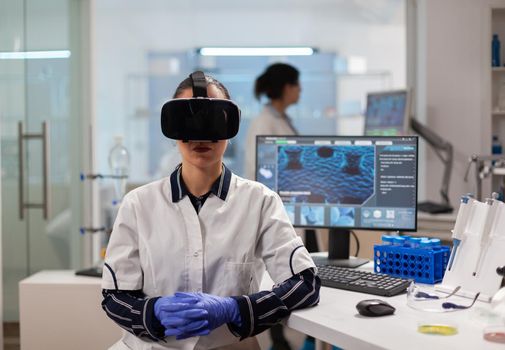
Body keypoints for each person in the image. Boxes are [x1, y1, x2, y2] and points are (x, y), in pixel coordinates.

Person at [101, 71, 321, 350]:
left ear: (230, 126)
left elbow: (305, 283)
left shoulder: (260, 201)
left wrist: (236, 309)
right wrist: (151, 313)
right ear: (172, 125)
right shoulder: (137, 204)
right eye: (189, 120)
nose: (200, 134)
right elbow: (114, 295)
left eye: (213, 119)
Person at [245, 63, 320, 350]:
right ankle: (281, 342)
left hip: (297, 211)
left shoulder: (280, 120)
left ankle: (295, 340)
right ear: (286, 87)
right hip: (280, 213)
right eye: (297, 84)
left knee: (305, 274)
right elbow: (261, 174)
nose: (300, 89)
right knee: (284, 280)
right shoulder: (264, 123)